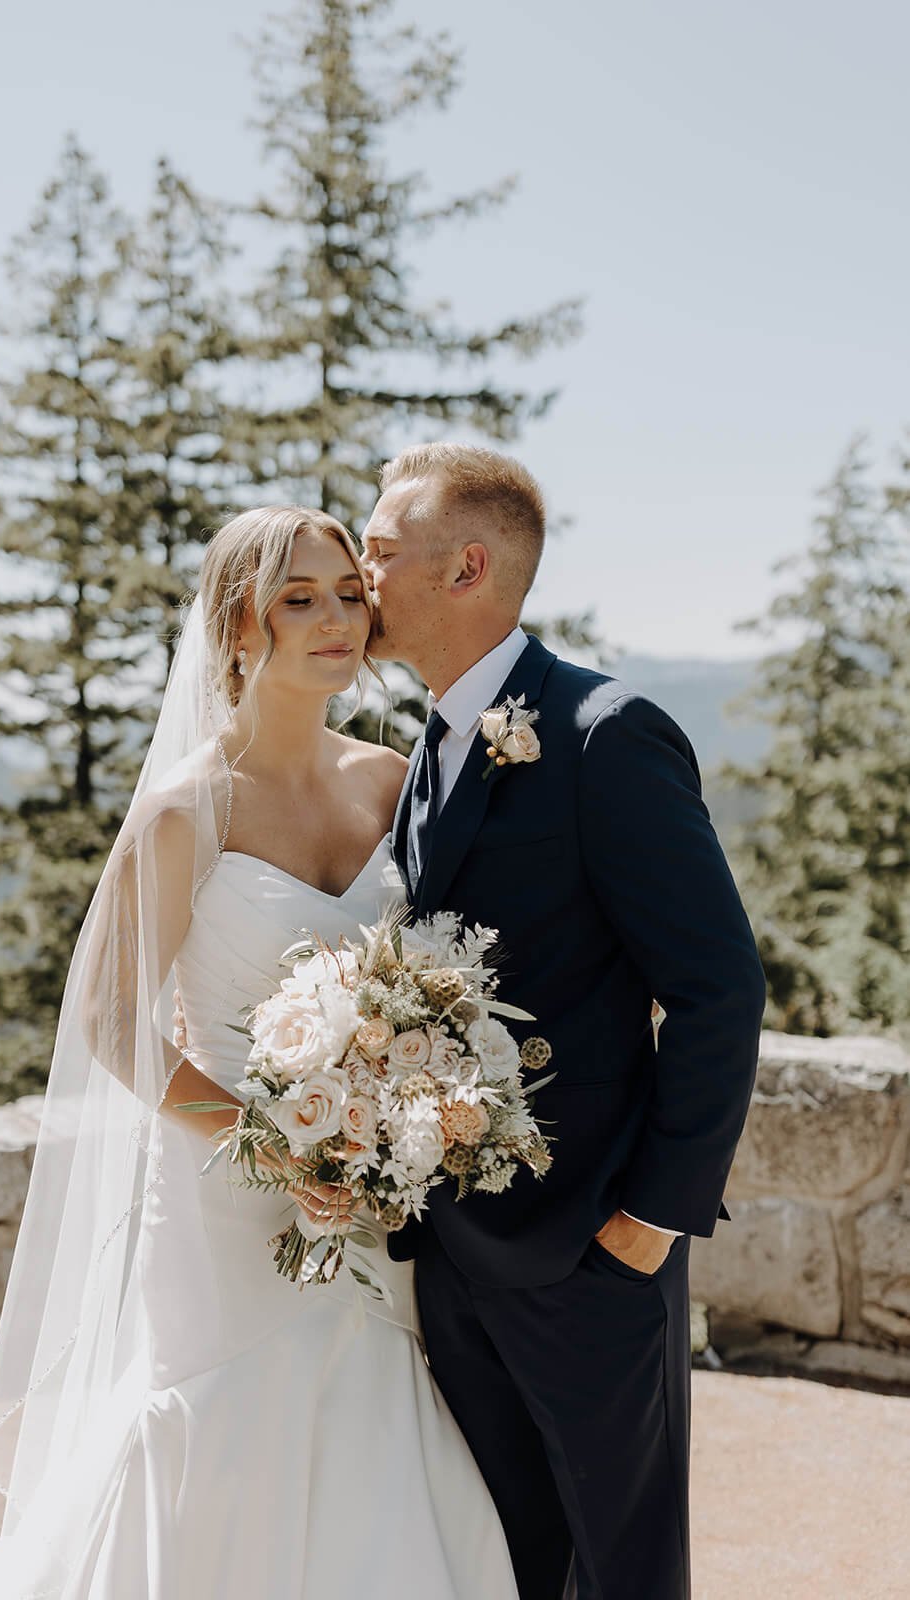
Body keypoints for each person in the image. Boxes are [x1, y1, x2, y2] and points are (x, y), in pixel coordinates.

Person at [0, 507, 519, 1599]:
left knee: (372, 1404)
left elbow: (436, 973)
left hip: (367, 1189)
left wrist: (404, 1108)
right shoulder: (183, 810)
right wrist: (271, 1147)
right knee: (219, 1422)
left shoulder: (394, 784)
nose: (336, 618)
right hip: (222, 1195)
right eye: (298, 597)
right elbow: (112, 1018)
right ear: (236, 625)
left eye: (348, 592)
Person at [361, 442, 768, 1600]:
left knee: (623, 1562)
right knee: (508, 1558)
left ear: (466, 567)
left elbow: (716, 985)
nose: (360, 573)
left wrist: (649, 1216)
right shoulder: (427, 750)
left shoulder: (601, 732)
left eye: (381, 552)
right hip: (450, 1249)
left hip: (589, 1244)